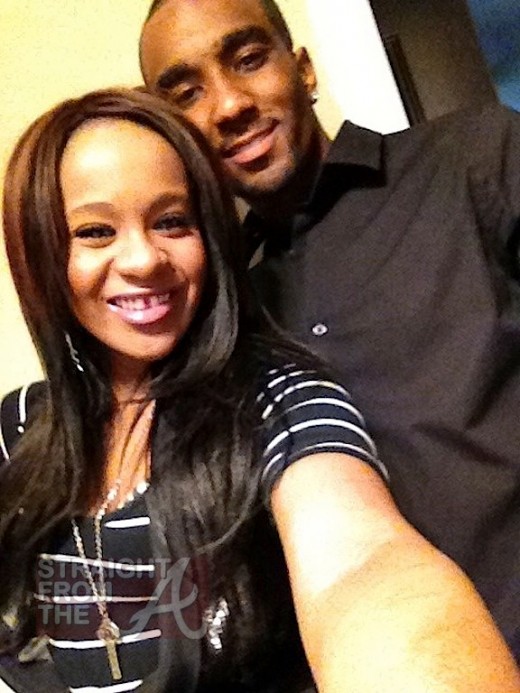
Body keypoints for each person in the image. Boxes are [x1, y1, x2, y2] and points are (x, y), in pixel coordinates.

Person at [0, 89, 518, 693]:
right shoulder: (17, 427)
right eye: (95, 231)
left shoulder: (276, 401)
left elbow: (360, 564)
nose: (143, 259)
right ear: (39, 252)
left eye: (172, 221)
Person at [139, 0, 520, 661]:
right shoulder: (213, 309)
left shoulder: (478, 158)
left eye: (248, 59)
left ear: (304, 69)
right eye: (187, 94)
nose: (228, 105)